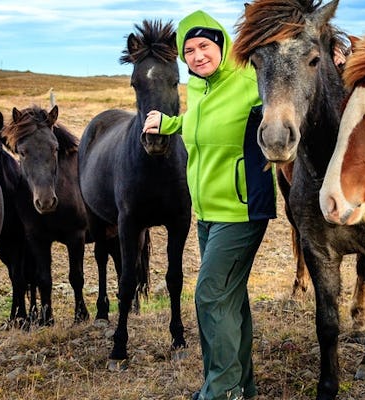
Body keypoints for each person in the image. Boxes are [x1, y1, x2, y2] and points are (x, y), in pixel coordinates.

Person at [142, 10, 275, 400]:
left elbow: (291, 98)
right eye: (190, 50)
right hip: (209, 214)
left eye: (205, 46)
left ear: (221, 44)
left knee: (210, 296)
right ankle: (242, 387)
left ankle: (220, 391)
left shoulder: (251, 80)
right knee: (229, 298)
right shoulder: (200, 88)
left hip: (242, 209)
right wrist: (169, 124)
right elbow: (201, 123)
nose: (198, 55)